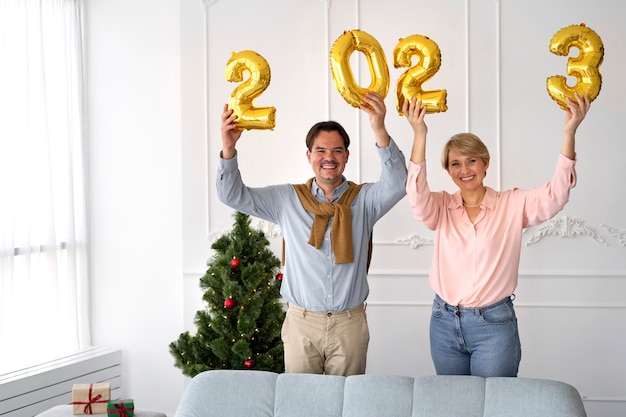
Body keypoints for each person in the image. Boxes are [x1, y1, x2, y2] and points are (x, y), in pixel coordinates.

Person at [217, 91, 407, 376]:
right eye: (320, 150)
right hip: (301, 324)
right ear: (309, 156)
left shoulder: (365, 200)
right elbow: (231, 195)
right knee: (302, 405)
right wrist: (228, 148)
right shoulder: (286, 199)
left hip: (349, 324)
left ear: (347, 156)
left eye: (337, 150)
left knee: (346, 405)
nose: (328, 158)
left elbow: (399, 182)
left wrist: (379, 129)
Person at [402, 92, 591, 377]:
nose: (464, 170)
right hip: (443, 322)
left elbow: (556, 195)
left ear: (485, 163)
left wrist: (569, 132)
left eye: (471, 161)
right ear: (448, 170)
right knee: (452, 405)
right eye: (455, 164)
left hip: (493, 325)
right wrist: (419, 133)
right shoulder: (440, 206)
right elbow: (416, 195)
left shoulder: (512, 204)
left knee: (496, 404)